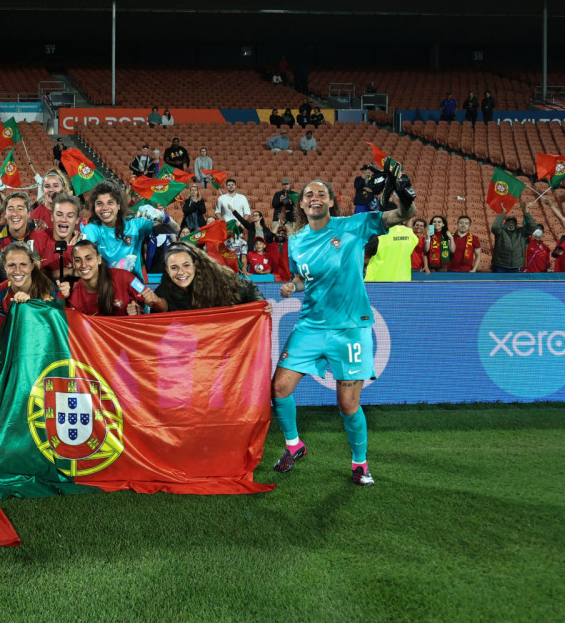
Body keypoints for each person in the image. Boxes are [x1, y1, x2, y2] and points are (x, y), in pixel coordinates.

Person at [271, 170, 417, 487]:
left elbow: (404, 214)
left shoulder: (353, 226)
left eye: (321, 193)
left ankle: (360, 464)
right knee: (279, 387)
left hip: (351, 329)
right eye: (308, 194)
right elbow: (301, 278)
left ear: (332, 202)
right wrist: (292, 287)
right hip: (310, 325)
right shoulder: (295, 242)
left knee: (347, 404)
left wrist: (406, 198)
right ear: (301, 205)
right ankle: (294, 445)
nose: (314, 198)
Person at [150, 242, 263, 312]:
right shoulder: (163, 291)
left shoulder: (217, 279)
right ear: (167, 270)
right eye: (174, 267)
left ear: (195, 265)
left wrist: (260, 304)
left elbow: (248, 287)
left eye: (186, 265)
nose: (181, 272)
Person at [81, 180, 157, 279]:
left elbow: (173, 229)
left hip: (133, 289)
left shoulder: (135, 224)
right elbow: (83, 254)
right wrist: (112, 267)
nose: (105, 208)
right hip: (105, 288)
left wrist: (163, 217)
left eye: (110, 202)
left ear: (119, 205)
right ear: (94, 207)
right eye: (99, 203)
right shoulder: (91, 229)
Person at [58, 240, 155, 316]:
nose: (83, 265)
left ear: (99, 259)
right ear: (74, 264)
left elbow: (159, 307)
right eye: (78, 260)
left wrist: (138, 314)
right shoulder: (75, 296)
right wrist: (62, 298)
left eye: (89, 258)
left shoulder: (123, 277)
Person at [0, 242, 62, 314]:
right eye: (11, 265)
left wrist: (33, 305)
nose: (17, 271)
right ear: (5, 267)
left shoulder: (52, 292)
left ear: (32, 266)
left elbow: (60, 324)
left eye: (23, 264)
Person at [0, 192, 36, 283]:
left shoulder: (37, 233)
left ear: (29, 213)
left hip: (30, 291)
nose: (14, 213)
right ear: (5, 213)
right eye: (10, 209)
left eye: (20, 209)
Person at [29, 192, 84, 278]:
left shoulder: (83, 244)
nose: (64, 219)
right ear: (52, 216)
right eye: (59, 214)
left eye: (70, 216)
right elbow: (31, 276)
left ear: (77, 220)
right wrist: (66, 272)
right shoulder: (37, 237)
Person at [490, 202, 537, 273]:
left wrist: (526, 213)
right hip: (500, 265)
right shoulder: (500, 231)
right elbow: (494, 227)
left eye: (513, 222)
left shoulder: (522, 232)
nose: (511, 224)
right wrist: (502, 214)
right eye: (509, 222)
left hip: (516, 266)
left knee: (514, 284)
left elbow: (533, 227)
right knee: (499, 284)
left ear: (516, 224)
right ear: (505, 223)